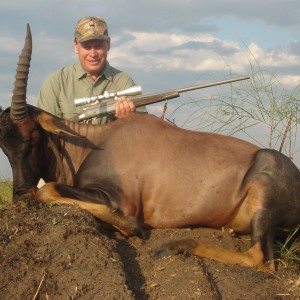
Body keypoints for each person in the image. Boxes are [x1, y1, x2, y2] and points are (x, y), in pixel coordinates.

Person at [37, 16, 146, 124]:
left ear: (108, 44)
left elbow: (144, 129)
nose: (93, 54)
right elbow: (44, 131)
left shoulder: (123, 81)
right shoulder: (55, 82)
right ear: (76, 46)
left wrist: (131, 120)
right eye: (86, 47)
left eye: (98, 46)